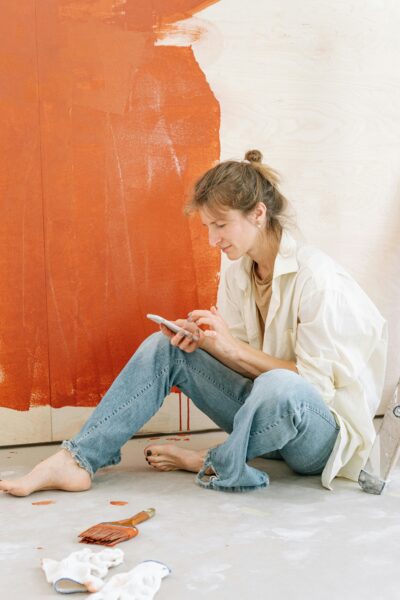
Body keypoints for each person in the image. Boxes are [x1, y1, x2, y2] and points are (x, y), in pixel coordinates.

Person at [0, 150, 387, 496]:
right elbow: (245, 370)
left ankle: (212, 457)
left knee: (279, 384)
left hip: (317, 439)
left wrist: (232, 349)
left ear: (258, 213)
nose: (213, 239)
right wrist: (210, 346)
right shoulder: (239, 275)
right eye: (207, 228)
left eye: (220, 225)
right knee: (163, 348)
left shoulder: (317, 278)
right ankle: (77, 460)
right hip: (263, 421)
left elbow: (312, 390)